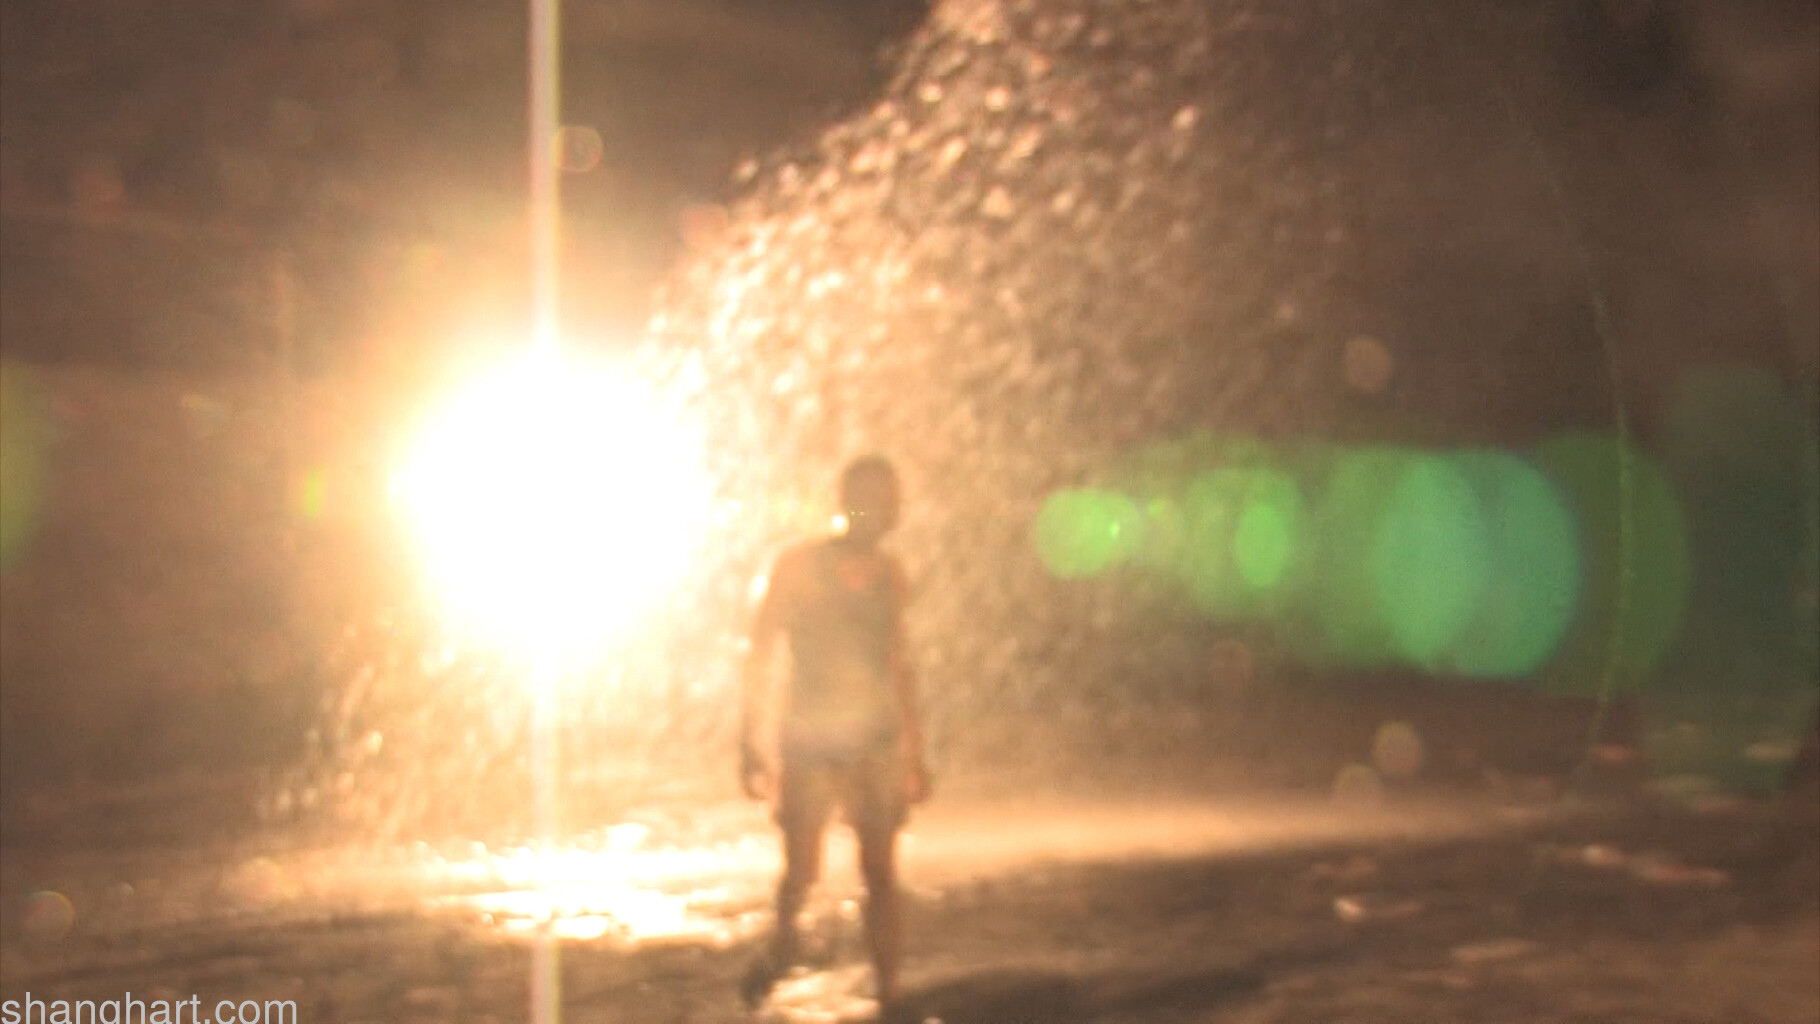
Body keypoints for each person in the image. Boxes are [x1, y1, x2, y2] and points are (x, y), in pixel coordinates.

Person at [738, 455, 930, 1011]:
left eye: (896, 498)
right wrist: (748, 741)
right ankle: (782, 945)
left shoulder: (891, 575)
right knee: (803, 864)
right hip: (812, 739)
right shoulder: (798, 568)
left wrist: (914, 751)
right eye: (884, 497)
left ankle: (889, 990)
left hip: (874, 740)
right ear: (852, 503)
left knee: (880, 868)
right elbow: (761, 649)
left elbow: (897, 665)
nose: (895, 509)